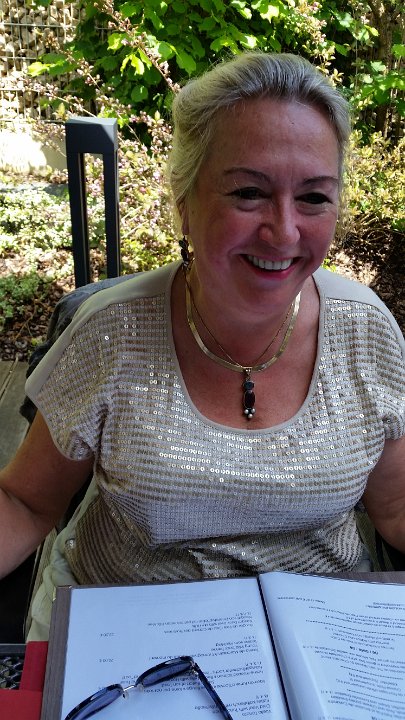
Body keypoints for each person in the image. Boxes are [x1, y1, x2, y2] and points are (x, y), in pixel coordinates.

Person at [0, 52, 404, 641]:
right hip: (129, 632)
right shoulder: (112, 333)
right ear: (185, 204)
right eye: (249, 192)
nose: (284, 231)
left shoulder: (366, 333)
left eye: (314, 198)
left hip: (319, 637)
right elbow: (25, 503)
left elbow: (395, 508)